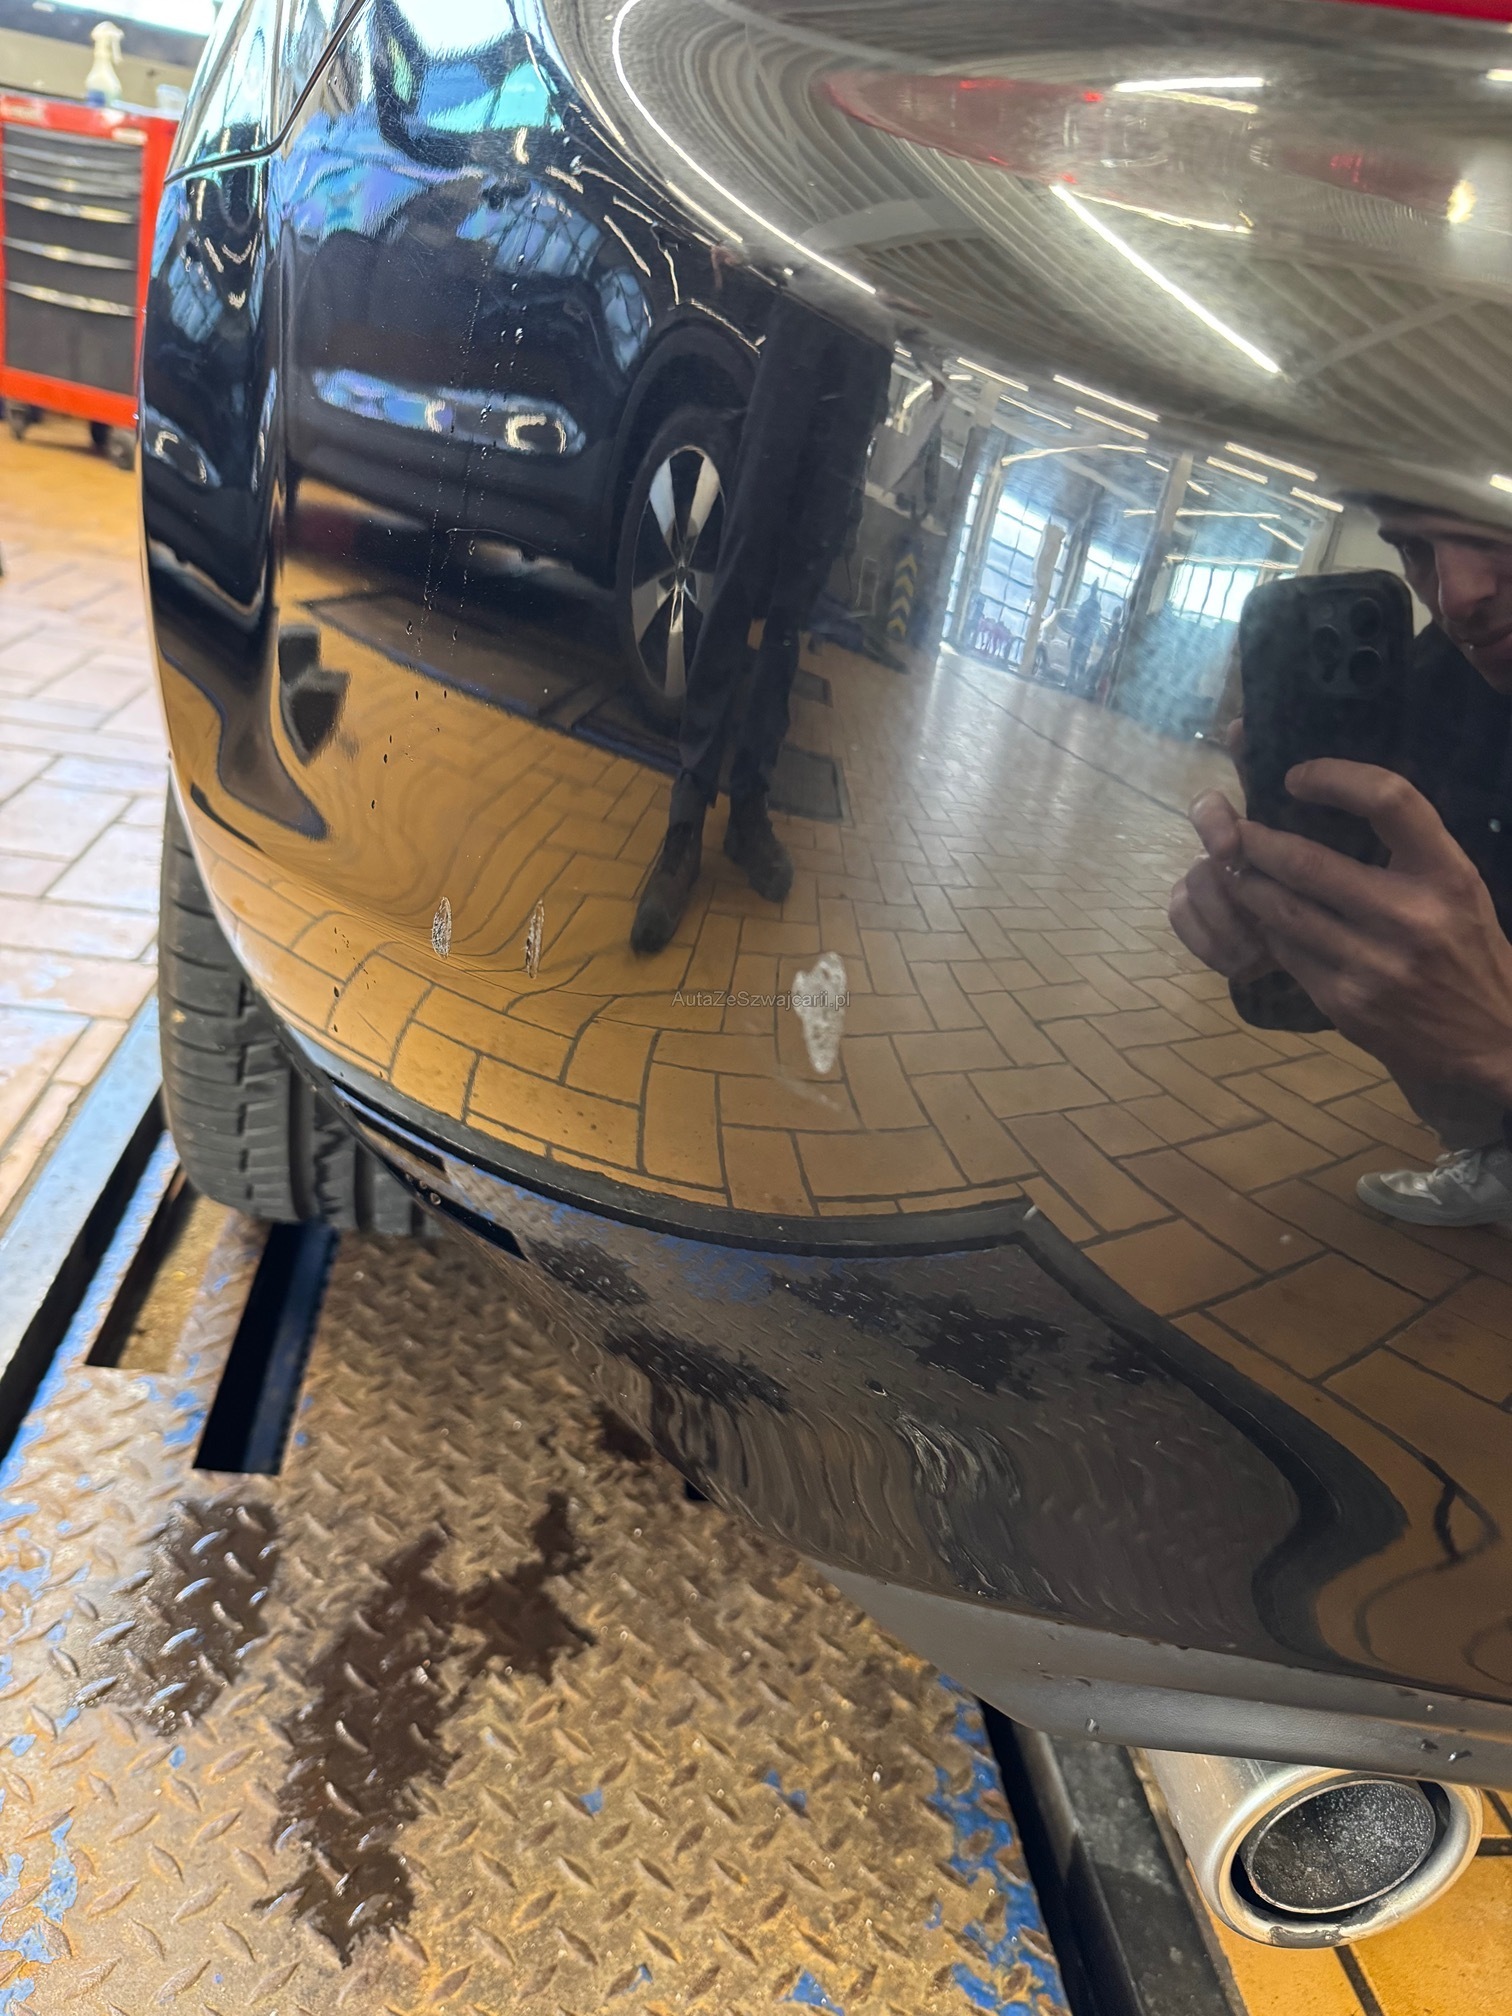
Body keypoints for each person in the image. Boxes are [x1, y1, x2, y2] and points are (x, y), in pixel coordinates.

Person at [1168, 499, 1512, 1226]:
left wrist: (1503, 1043)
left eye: (1500, 528)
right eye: (1414, 549)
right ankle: (1501, 1155)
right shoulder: (1437, 677)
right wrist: (1296, 930)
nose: (1457, 595)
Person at [631, 291, 892, 955]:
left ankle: (748, 804)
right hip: (809, 305)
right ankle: (688, 815)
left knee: (795, 600)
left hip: (870, 345)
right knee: (742, 565)